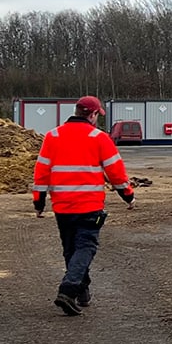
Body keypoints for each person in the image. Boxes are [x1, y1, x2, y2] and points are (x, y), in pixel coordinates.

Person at [32, 95, 136, 316]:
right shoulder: (99, 138)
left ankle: (82, 290)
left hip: (62, 206)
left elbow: (41, 172)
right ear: (93, 114)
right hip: (89, 205)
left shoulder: (53, 136)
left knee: (70, 249)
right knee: (86, 247)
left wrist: (39, 202)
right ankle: (68, 290)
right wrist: (128, 196)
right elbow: (116, 172)